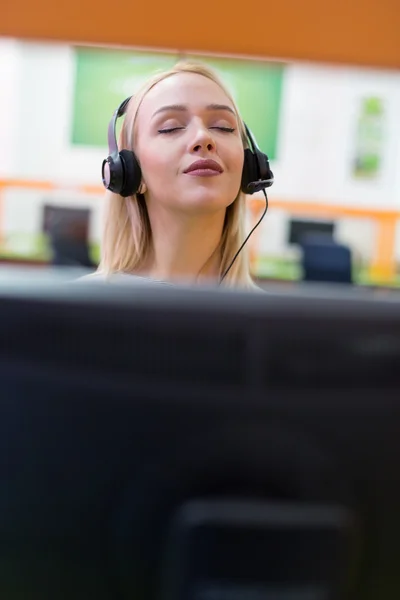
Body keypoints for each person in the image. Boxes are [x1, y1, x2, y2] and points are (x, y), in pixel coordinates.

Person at [93, 61, 271, 290]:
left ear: (250, 165)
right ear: (129, 169)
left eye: (223, 127)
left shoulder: (277, 322)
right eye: (170, 127)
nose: (203, 138)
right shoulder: (73, 313)